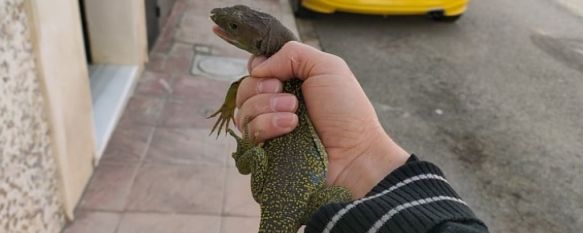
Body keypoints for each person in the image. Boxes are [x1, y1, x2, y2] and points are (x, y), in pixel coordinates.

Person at [234, 41, 489, 233]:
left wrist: (245, 145)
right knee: (340, 193)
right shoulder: (299, 86)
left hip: (270, 196)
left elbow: (255, 155)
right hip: (300, 202)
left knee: (256, 152)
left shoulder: (300, 87)